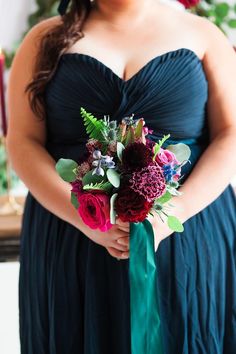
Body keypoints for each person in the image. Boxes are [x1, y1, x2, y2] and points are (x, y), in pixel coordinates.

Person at [6, 0, 236, 352]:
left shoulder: (203, 35)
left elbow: (231, 135)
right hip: (71, 237)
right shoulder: (44, 39)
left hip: (187, 235)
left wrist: (171, 216)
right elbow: (23, 143)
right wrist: (86, 221)